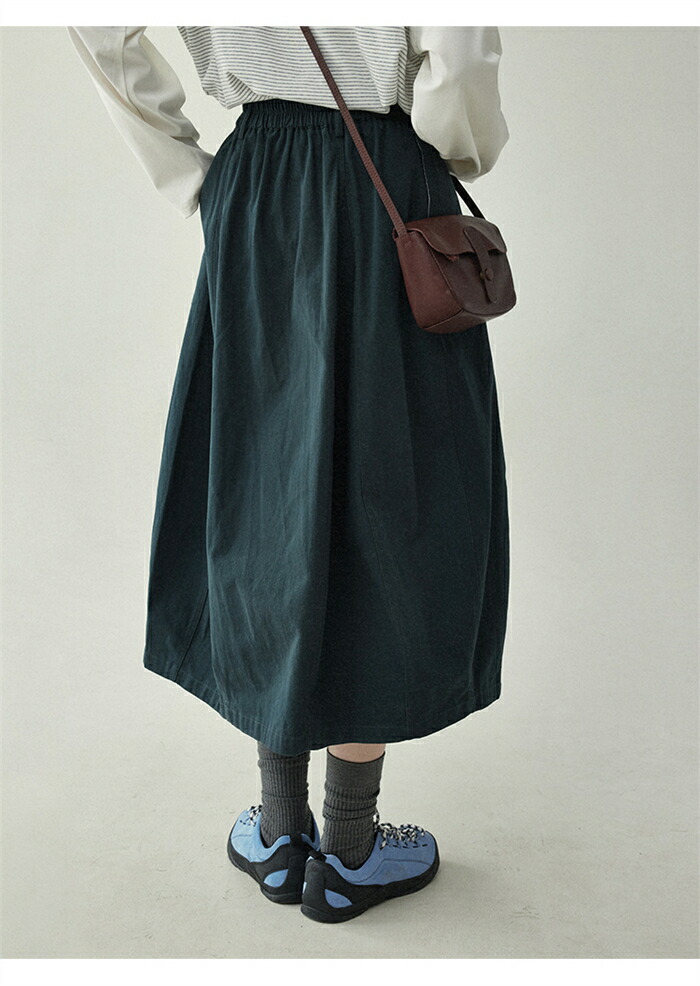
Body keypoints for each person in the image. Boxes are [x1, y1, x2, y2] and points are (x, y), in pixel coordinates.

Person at [66, 25, 511, 923]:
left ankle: (277, 832)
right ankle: (349, 850)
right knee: (386, 493)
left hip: (257, 186)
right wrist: (454, 149)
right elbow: (459, 57)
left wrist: (190, 174)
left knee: (267, 480)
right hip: (388, 180)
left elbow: (99, 24)